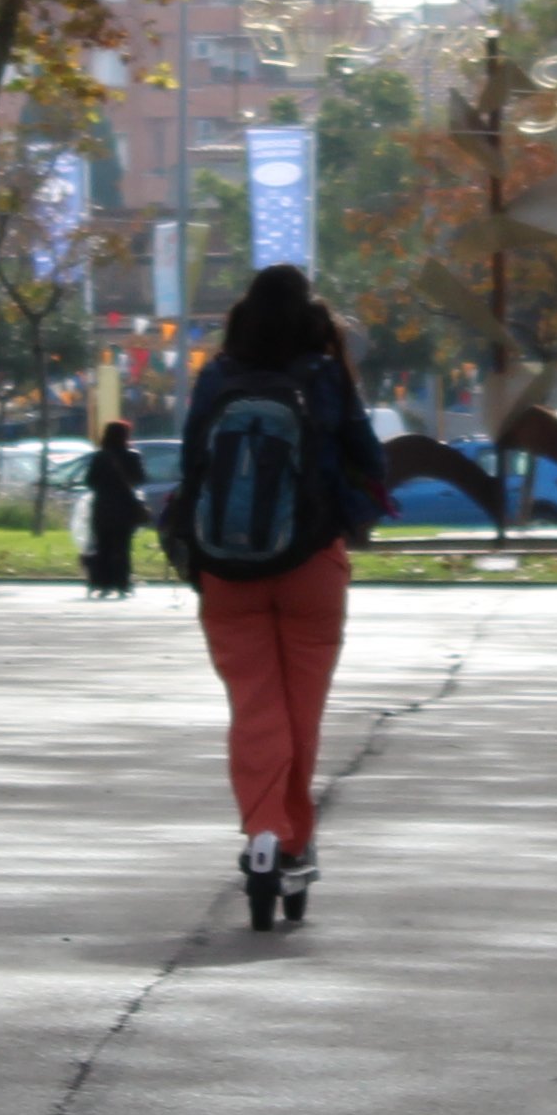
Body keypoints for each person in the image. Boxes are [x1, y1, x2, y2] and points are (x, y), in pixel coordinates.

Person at [165, 267, 388, 929]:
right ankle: (292, 841)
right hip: (313, 564)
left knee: (255, 706)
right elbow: (370, 463)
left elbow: (190, 468)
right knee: (301, 712)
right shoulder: (324, 376)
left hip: (226, 570)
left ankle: (264, 835)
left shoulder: (217, 377)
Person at [79, 422, 148, 599]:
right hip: (125, 509)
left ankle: (103, 583)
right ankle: (123, 583)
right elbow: (140, 479)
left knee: (103, 546)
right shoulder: (133, 456)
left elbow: (90, 482)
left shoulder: (99, 457)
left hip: (102, 508)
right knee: (123, 547)